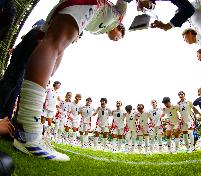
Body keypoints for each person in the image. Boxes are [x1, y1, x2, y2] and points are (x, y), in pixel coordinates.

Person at [13, 0, 129, 161]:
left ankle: (25, 125)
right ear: (120, 28)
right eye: (119, 38)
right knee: (53, 44)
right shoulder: (120, 14)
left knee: (51, 58)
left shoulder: (100, 29)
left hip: (74, 7)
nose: (116, 40)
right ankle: (27, 132)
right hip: (87, 3)